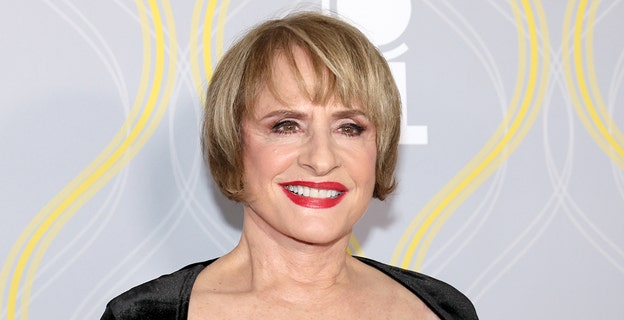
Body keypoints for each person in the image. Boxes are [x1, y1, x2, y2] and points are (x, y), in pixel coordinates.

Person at [100, 11, 478, 320]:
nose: (322, 158)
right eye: (286, 125)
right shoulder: (144, 315)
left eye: (349, 128)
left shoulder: (441, 308)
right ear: (234, 142)